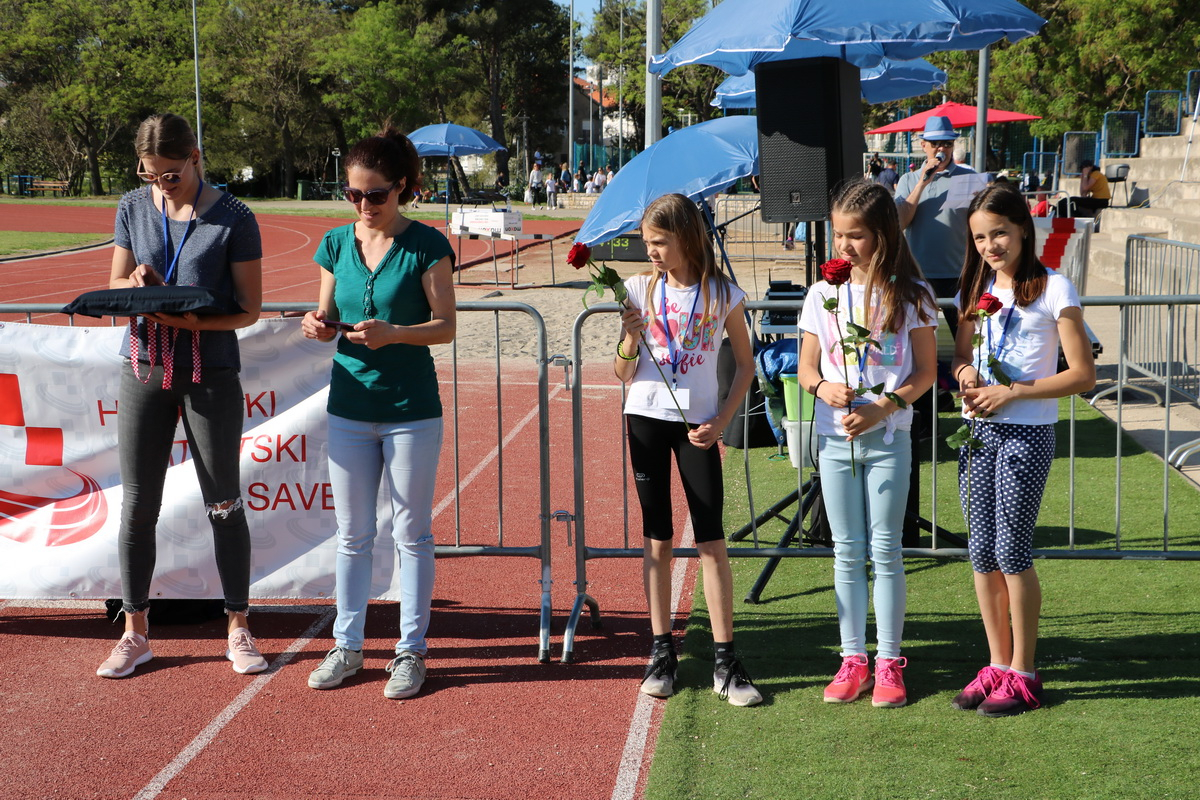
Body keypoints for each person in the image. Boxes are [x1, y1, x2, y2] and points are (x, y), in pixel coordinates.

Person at [97, 112, 266, 679]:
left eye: (170, 174)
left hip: (209, 369)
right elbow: (115, 282)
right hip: (143, 367)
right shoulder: (131, 206)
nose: (160, 185)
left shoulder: (234, 217)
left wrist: (192, 322)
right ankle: (134, 632)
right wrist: (135, 286)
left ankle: (238, 627)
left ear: (195, 157)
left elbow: (248, 309)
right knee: (138, 504)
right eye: (149, 175)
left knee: (224, 502)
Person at [301, 129, 456, 700]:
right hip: (349, 406)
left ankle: (411, 651)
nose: (363, 205)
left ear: (403, 188)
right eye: (352, 194)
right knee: (353, 536)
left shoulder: (427, 245)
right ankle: (347, 647)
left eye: (375, 194)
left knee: (412, 533)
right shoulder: (334, 243)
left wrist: (395, 334)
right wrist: (316, 325)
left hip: (411, 410)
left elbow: (446, 326)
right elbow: (324, 315)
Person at [949, 183, 1095, 716]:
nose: (990, 246)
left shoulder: (1056, 287)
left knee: (1012, 551)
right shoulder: (976, 287)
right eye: (980, 238)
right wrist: (966, 376)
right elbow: (960, 357)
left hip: (1026, 433)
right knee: (982, 552)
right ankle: (996, 663)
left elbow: (1083, 374)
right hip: (977, 431)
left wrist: (1013, 392)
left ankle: (1024, 672)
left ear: (1023, 230)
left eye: (1000, 233)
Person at [614, 193, 763, 708]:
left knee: (711, 541)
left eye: (658, 242)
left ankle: (726, 661)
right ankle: (662, 653)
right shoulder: (637, 289)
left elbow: (745, 364)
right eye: (646, 242)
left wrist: (720, 420)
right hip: (644, 420)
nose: (650, 251)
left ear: (686, 237)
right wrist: (629, 339)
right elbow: (622, 372)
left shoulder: (724, 293)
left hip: (697, 427)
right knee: (656, 538)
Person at [796, 181, 938, 708]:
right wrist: (821, 388)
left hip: (889, 439)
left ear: (882, 234)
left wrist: (884, 407)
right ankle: (852, 657)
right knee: (847, 550)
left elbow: (926, 372)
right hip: (834, 440)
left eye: (855, 235)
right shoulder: (821, 294)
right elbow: (807, 367)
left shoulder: (912, 293)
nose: (844, 245)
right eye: (838, 235)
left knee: (886, 550)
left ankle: (888, 662)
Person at [895, 115, 978, 342]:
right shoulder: (908, 179)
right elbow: (901, 222)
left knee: (965, 337)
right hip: (918, 273)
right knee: (917, 337)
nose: (942, 149)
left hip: (958, 272)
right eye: (935, 144)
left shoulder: (969, 177)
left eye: (947, 143)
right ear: (924, 146)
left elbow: (980, 222)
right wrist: (923, 183)